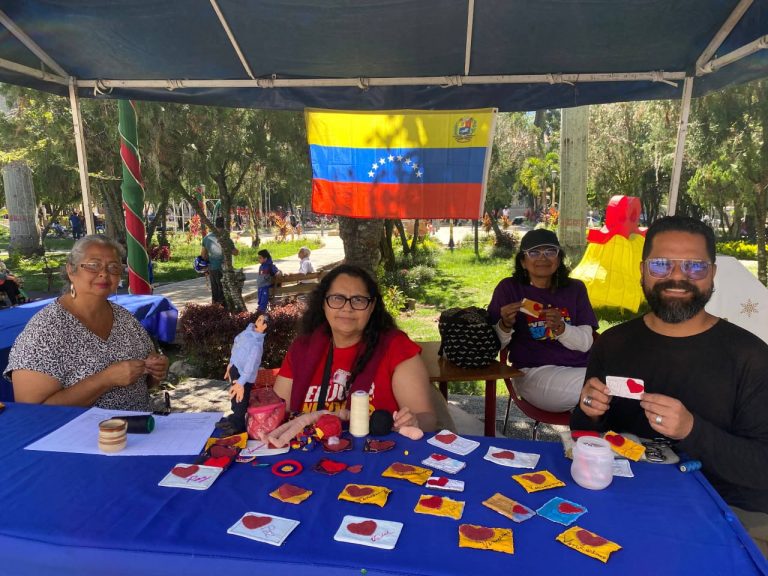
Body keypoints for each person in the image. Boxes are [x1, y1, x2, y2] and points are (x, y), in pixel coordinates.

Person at [571, 216, 768, 556]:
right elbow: (584, 434)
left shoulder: (750, 357)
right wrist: (588, 413)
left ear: (713, 274)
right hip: (627, 498)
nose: (677, 277)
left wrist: (691, 429)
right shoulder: (613, 344)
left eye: (695, 266)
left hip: (728, 510)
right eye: (662, 264)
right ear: (643, 269)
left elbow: (761, 470)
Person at [264, 264, 438, 446]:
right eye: (337, 298)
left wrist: (414, 422)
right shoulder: (302, 350)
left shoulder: (396, 348)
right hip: (308, 460)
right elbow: (278, 413)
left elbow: (426, 418)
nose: (347, 308)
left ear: (372, 307)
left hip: (379, 461)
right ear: (323, 303)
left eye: (358, 300)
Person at [3, 234, 168, 410]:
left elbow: (146, 382)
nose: (104, 273)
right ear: (71, 270)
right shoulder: (45, 331)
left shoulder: (125, 318)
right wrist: (106, 379)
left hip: (139, 429)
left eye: (113, 267)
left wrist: (155, 371)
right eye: (93, 265)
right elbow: (33, 412)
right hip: (81, 436)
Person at [488, 228, 598, 412]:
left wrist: (562, 328)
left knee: (616, 385)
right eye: (534, 252)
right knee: (601, 388)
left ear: (559, 258)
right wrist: (505, 325)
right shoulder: (509, 289)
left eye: (550, 252)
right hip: (532, 373)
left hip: (582, 368)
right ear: (523, 261)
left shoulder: (575, 289)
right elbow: (493, 346)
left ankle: (595, 437)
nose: (543, 258)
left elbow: (586, 343)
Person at [217, 313, 269, 435]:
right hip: (235, 368)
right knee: (234, 397)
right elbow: (236, 345)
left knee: (241, 399)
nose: (259, 321)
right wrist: (230, 364)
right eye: (259, 318)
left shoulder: (256, 344)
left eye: (262, 321)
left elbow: (250, 366)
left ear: (266, 326)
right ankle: (234, 418)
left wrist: (241, 382)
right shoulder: (247, 332)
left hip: (244, 376)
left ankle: (238, 425)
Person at [200, 216, 238, 305]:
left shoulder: (207, 238)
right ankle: (223, 310)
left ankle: (215, 309)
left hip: (212, 268)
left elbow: (203, 254)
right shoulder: (225, 238)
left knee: (214, 290)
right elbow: (235, 252)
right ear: (224, 226)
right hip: (223, 269)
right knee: (223, 290)